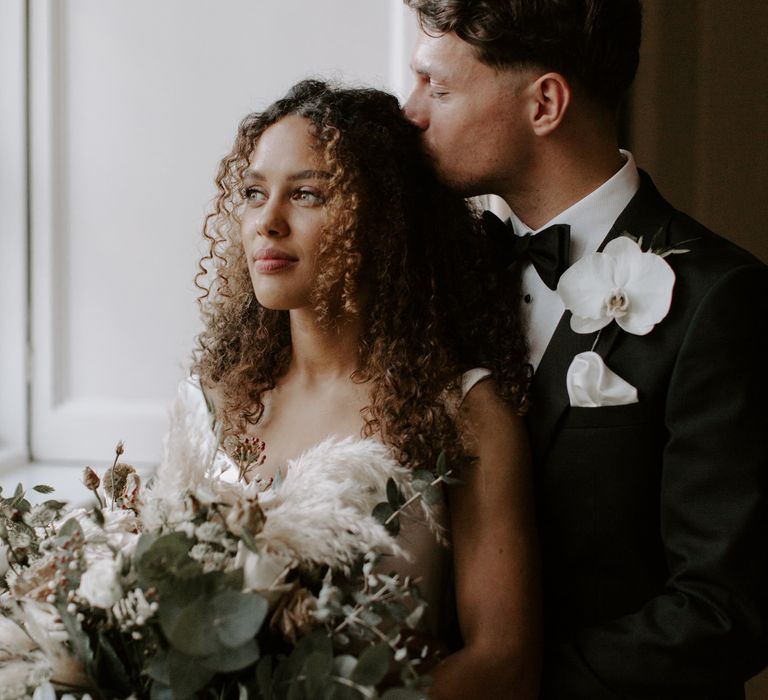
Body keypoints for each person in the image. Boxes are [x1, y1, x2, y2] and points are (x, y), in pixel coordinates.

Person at [402, 1, 768, 698]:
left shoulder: (720, 300)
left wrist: (501, 683)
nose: (411, 110)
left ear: (545, 103)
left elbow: (725, 607)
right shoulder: (439, 279)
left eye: (439, 88)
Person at [191, 79, 541, 698]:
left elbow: (504, 662)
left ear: (381, 221)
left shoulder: (462, 412)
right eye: (252, 193)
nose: (267, 222)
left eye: (306, 194)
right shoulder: (217, 399)